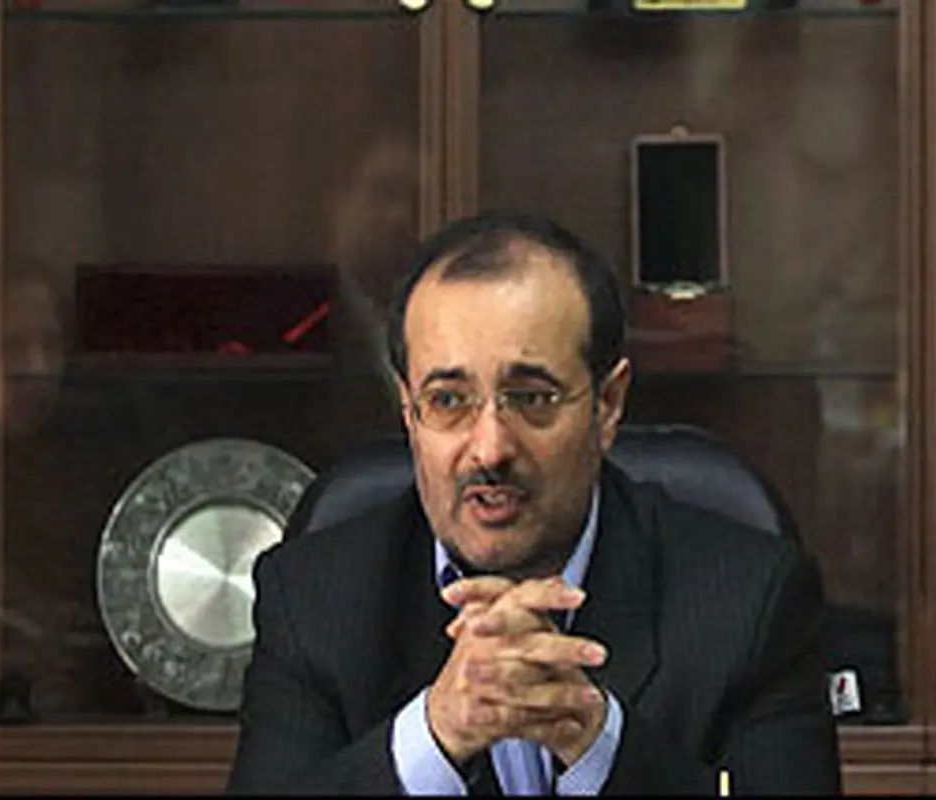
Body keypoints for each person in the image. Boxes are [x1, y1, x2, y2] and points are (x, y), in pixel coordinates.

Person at [227, 210, 841, 796]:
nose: (490, 448)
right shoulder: (312, 601)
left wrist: (596, 743)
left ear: (608, 404)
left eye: (532, 398)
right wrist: (433, 737)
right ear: (408, 411)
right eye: (448, 401)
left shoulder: (751, 600)